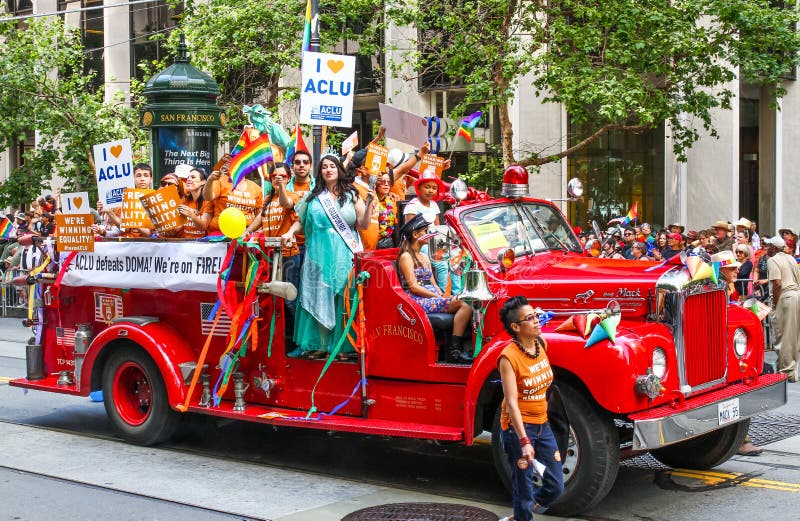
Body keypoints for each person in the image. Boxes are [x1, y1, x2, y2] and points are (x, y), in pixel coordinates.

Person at [287, 154, 375, 357]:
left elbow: (363, 224)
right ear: (320, 172)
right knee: (319, 296)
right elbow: (301, 222)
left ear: (339, 170)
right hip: (318, 255)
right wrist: (290, 232)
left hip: (344, 253)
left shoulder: (352, 194)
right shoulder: (313, 196)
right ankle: (322, 345)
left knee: (343, 297)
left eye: (332, 166)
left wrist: (369, 201)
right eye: (324, 167)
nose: (328, 170)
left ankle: (343, 345)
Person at [497, 296, 565, 521]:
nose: (537, 321)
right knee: (523, 487)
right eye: (530, 318)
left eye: (536, 315)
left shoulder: (541, 344)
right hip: (518, 429)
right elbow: (512, 402)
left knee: (555, 486)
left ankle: (520, 514)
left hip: (542, 424)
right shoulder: (508, 358)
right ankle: (522, 515)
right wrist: (524, 440)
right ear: (516, 327)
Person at [396, 214, 472, 362]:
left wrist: (441, 294)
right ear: (415, 234)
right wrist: (437, 297)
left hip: (431, 297)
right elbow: (413, 287)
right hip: (418, 300)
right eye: (425, 230)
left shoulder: (424, 257)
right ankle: (454, 350)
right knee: (465, 302)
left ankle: (461, 346)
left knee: (469, 300)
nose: (429, 234)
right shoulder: (406, 256)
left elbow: (434, 283)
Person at [765, 235, 800, 383]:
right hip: (796, 294)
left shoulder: (773, 260)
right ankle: (791, 370)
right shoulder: (791, 258)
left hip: (785, 297)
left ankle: (786, 371)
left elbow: (777, 284)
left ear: (773, 248)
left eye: (768, 246)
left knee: (783, 335)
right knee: (793, 336)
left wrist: (774, 304)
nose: (766, 248)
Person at [347, 149, 381, 250]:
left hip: (372, 245)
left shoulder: (371, 187)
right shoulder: (355, 189)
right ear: (362, 169)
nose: (379, 170)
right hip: (361, 246)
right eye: (374, 165)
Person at [176, 167, 212, 239]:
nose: (189, 179)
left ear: (203, 182)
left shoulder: (208, 201)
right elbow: (177, 228)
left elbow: (203, 227)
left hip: (202, 244)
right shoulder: (184, 200)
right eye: (188, 177)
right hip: (184, 243)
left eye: (193, 177)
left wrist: (191, 215)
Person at [375, 171, 398, 249]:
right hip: (373, 243)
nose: (386, 184)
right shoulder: (371, 201)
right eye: (382, 181)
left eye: (389, 182)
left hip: (389, 243)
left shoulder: (392, 201)